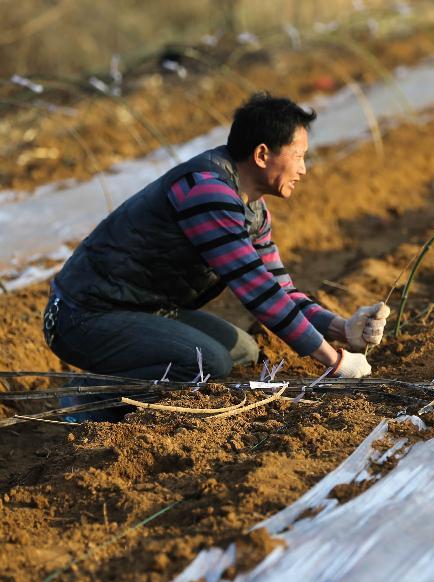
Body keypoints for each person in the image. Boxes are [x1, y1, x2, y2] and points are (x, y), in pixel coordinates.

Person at [42, 92, 388, 418]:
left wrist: (342, 327)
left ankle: (120, 369)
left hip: (140, 308)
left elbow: (280, 289)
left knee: (243, 352)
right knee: (204, 362)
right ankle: (88, 398)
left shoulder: (253, 209)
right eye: (298, 156)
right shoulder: (208, 192)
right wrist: (334, 361)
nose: (303, 169)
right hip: (82, 316)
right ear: (262, 154)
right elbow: (257, 291)